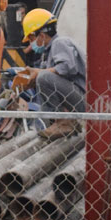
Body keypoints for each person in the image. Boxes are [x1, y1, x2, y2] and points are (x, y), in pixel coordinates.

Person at [21, 8, 86, 140]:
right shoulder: (49, 51)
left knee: (44, 77)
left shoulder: (59, 43)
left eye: (31, 38)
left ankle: (63, 123)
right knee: (43, 78)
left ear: (42, 35)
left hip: (84, 98)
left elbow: (66, 67)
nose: (31, 43)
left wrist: (39, 73)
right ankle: (61, 124)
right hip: (76, 97)